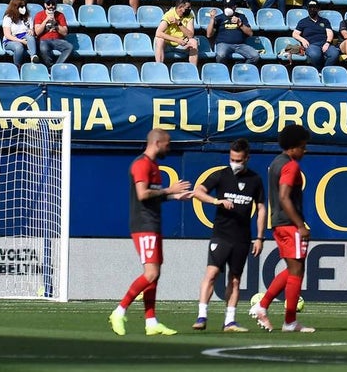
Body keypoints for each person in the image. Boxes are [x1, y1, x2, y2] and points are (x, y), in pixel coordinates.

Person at [109, 129, 193, 336]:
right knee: (151, 273)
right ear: (157, 142)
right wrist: (169, 191)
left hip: (153, 224)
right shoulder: (142, 164)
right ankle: (119, 311)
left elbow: (153, 195)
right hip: (143, 225)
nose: (169, 147)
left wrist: (174, 198)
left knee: (155, 275)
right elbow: (143, 194)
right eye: (168, 143)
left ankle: (151, 322)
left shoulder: (154, 165)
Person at [190, 139, 265, 333]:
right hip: (221, 234)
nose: (235, 163)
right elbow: (198, 192)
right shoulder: (221, 175)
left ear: (247, 158)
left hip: (242, 237)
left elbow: (261, 208)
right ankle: (202, 316)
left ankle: (229, 321)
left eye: (238, 160)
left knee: (235, 279)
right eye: (232, 159)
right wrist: (216, 201)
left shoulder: (255, 180)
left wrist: (259, 237)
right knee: (212, 273)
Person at [251, 125, 315, 332]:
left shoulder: (276, 162)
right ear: (293, 147)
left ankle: (263, 306)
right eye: (303, 147)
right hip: (289, 224)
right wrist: (300, 225)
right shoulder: (291, 166)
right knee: (297, 270)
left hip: (278, 223)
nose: (305, 151)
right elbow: (285, 197)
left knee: (293, 269)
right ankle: (289, 321)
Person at [153, 0, 198, 67]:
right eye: (188, 8)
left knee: (193, 42)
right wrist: (177, 40)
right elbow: (158, 33)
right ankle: (159, 68)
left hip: (182, 44)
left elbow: (190, 35)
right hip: (167, 45)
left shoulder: (190, 15)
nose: (190, 9)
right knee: (159, 40)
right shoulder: (169, 14)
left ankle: (193, 69)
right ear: (180, 8)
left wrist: (179, 24)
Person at [293, 1, 339, 68]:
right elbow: (295, 34)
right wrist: (302, 40)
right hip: (312, 44)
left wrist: (327, 43)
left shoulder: (325, 21)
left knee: (334, 53)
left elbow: (330, 32)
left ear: (318, 9)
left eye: (314, 8)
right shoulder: (303, 22)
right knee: (315, 55)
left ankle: (325, 70)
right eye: (310, 8)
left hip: (325, 43)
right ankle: (318, 70)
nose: (312, 10)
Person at [31, 0, 71, 67]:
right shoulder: (39, 15)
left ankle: (56, 67)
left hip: (57, 40)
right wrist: (46, 20)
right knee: (43, 48)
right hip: (44, 40)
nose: (51, 6)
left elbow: (65, 32)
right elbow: (37, 32)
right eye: (48, 3)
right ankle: (50, 67)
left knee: (69, 47)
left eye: (53, 3)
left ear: (56, 5)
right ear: (45, 5)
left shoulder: (60, 15)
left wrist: (56, 24)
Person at [0, 0, 36, 68]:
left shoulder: (28, 17)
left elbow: (32, 30)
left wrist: (31, 31)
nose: (24, 8)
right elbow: (7, 35)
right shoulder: (8, 18)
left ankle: (33, 57)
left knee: (30, 37)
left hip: (25, 38)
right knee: (18, 46)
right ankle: (17, 67)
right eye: (21, 6)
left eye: (24, 6)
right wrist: (21, 41)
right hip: (10, 40)